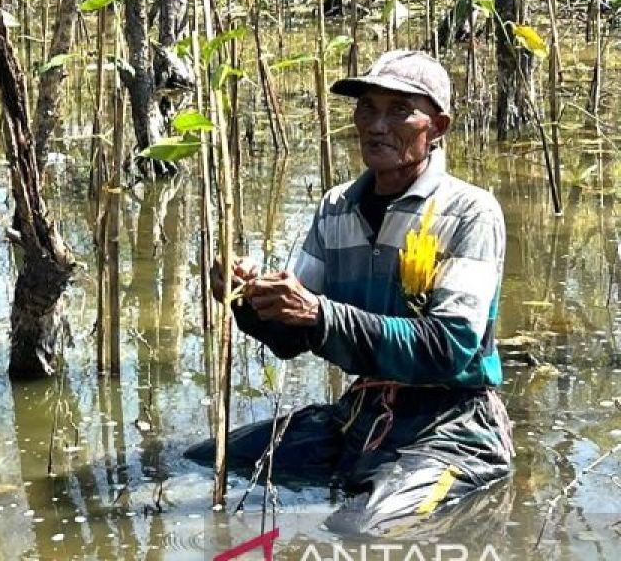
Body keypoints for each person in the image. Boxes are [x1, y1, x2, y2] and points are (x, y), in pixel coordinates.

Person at [186, 49, 513, 536]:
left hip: (451, 425)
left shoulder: (469, 213)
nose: (377, 126)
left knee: (358, 529)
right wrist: (249, 298)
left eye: (399, 111)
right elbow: (292, 337)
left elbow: (449, 348)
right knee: (204, 460)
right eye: (367, 109)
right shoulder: (337, 206)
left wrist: (318, 314)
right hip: (361, 412)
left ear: (438, 127)